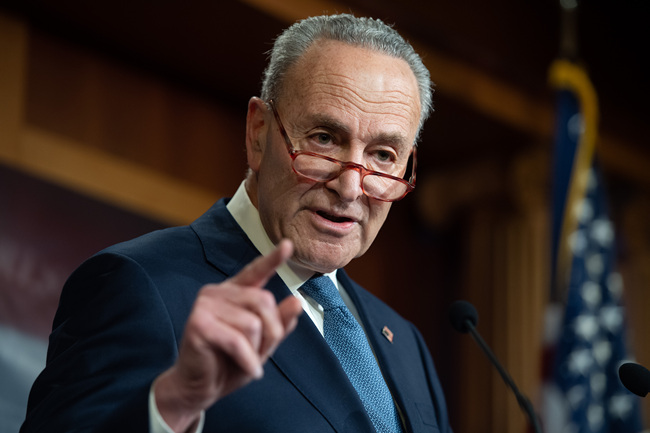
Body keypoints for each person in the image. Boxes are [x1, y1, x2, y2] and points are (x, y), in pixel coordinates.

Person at [21, 13, 452, 433]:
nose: (351, 187)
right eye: (324, 138)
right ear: (258, 133)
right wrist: (171, 405)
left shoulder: (406, 345)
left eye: (383, 156)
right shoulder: (140, 285)